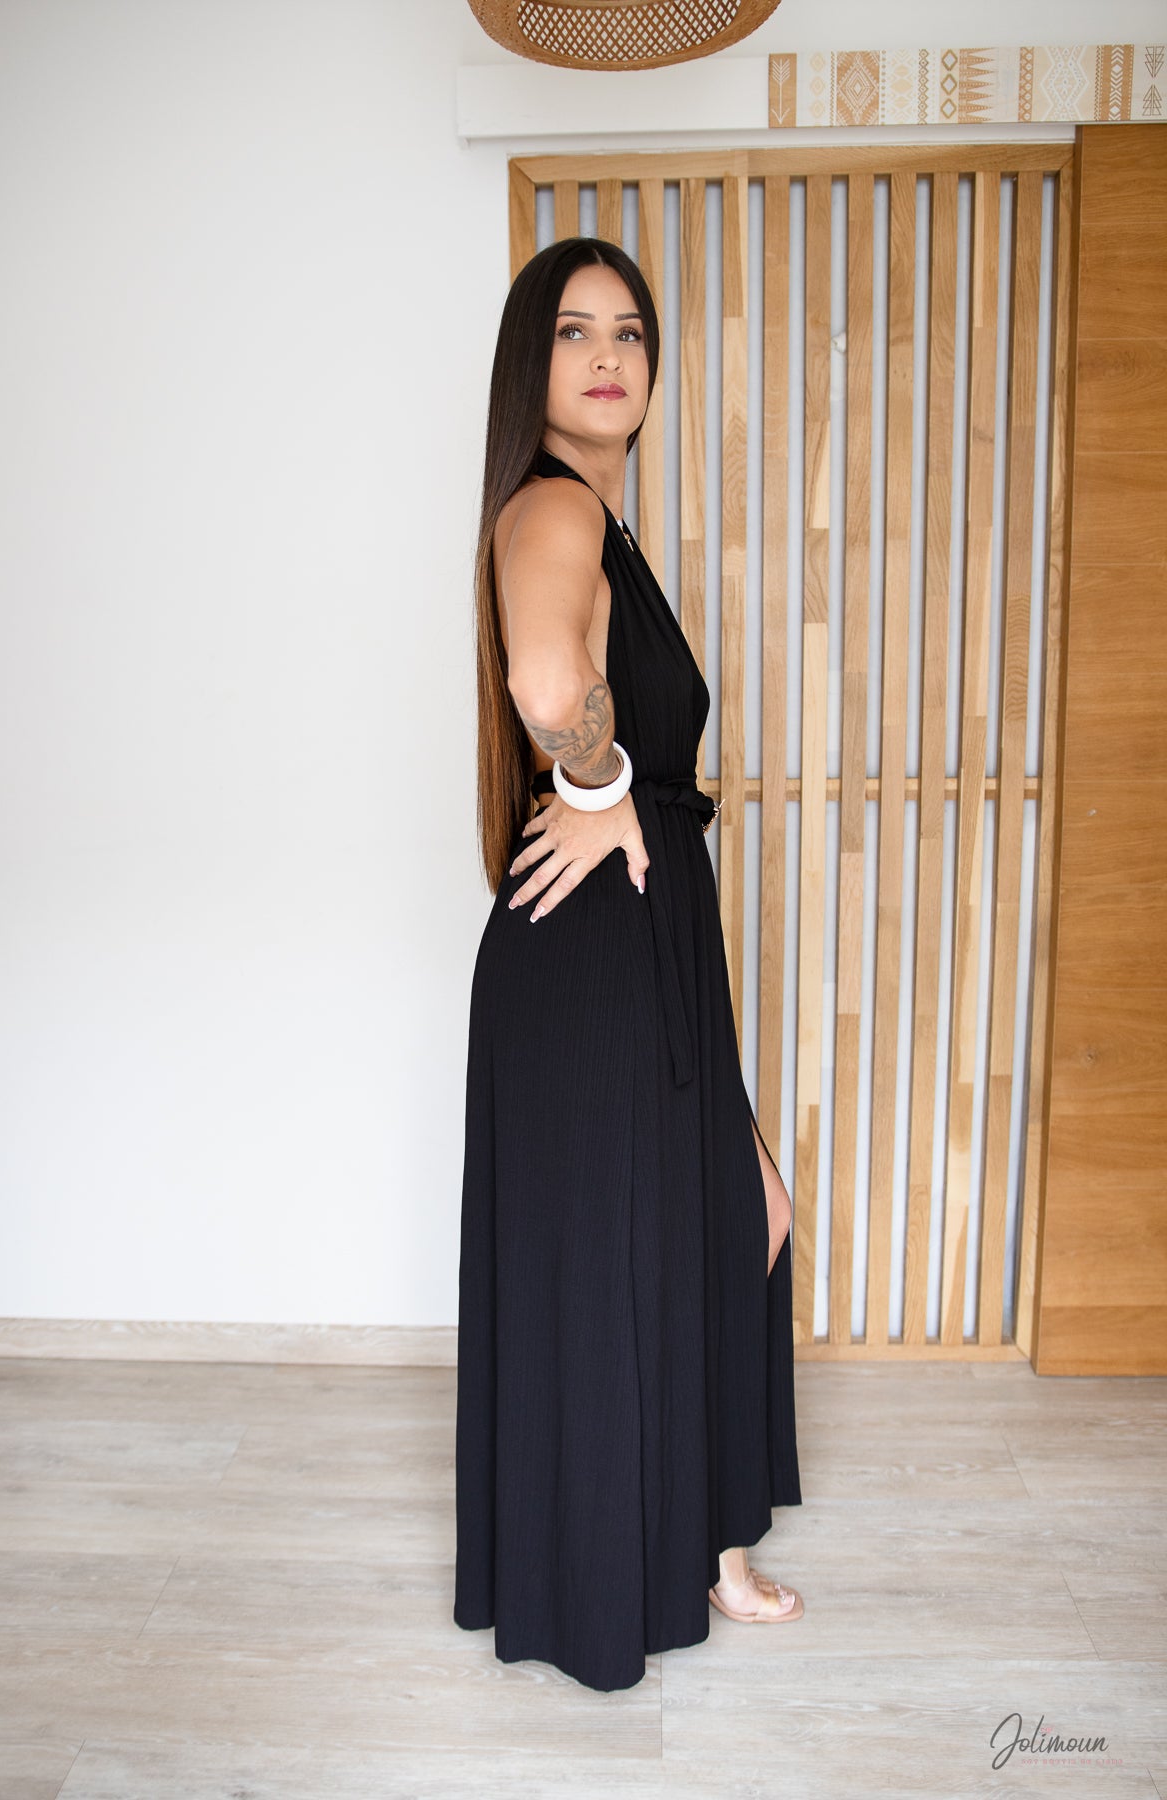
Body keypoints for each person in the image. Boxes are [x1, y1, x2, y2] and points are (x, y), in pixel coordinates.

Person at [454, 235, 803, 1693]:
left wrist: (623, 803)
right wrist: (599, 790)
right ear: (530, 363)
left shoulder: (605, 525)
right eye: (574, 330)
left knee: (738, 1213)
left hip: (646, 934)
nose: (608, 355)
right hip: (592, 955)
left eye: (631, 332)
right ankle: (630, 1571)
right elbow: (548, 684)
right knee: (626, 1254)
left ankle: (699, 1541)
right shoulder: (551, 509)